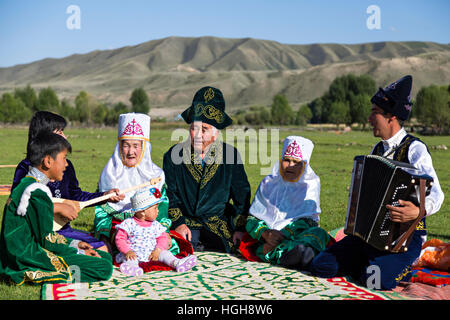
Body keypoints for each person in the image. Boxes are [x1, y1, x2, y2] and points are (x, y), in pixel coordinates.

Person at [310, 75, 445, 290]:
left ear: (391, 116)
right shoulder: (377, 150)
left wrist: (418, 210)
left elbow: (437, 194)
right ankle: (370, 264)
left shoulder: (415, 149)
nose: (370, 118)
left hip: (405, 238)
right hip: (371, 237)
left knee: (374, 280)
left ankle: (398, 265)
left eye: (375, 113)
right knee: (321, 265)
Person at [0, 131, 113, 285]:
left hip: (26, 250)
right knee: (104, 267)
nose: (66, 164)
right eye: (64, 158)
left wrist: (76, 244)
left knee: (105, 257)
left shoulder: (29, 185)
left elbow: (45, 236)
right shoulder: (36, 192)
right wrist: (79, 251)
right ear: (47, 161)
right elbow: (47, 241)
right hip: (25, 257)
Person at [11, 111, 122, 252]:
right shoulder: (26, 167)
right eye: (60, 132)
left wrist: (105, 196)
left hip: (63, 229)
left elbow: (76, 196)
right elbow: (21, 204)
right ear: (46, 137)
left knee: (103, 249)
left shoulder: (66, 166)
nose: (65, 136)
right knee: (93, 254)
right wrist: (57, 207)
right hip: (37, 232)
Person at [163, 86, 251, 253]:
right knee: (180, 250)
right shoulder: (173, 156)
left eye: (204, 130)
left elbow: (242, 196)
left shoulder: (230, 155)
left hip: (218, 223)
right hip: (185, 221)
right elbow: (169, 195)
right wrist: (178, 223)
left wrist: (240, 228)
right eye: (194, 128)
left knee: (231, 252)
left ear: (215, 134)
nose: (197, 135)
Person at [95, 112, 179, 256]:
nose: (131, 152)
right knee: (113, 246)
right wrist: (104, 235)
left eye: (136, 146)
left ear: (144, 147)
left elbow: (162, 208)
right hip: (120, 228)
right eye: (126, 146)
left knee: (171, 245)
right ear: (119, 147)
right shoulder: (109, 175)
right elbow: (102, 213)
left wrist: (163, 231)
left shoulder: (156, 176)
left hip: (150, 226)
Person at [244, 136, 330, 270]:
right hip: (266, 238)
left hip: (295, 237)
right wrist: (266, 233)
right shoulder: (268, 183)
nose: (290, 166)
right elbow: (252, 218)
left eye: (296, 162)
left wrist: (284, 234)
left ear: (305, 165)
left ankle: (284, 254)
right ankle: (293, 256)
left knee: (318, 234)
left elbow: (308, 221)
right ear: (280, 161)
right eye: (287, 160)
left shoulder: (310, 184)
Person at [115, 187, 197, 276]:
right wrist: (127, 251)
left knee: (166, 254)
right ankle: (132, 267)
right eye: (155, 208)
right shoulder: (129, 223)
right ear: (143, 211)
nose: (158, 211)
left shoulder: (156, 225)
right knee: (131, 259)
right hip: (133, 252)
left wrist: (158, 250)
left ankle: (176, 263)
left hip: (152, 253)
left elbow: (162, 238)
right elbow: (120, 239)